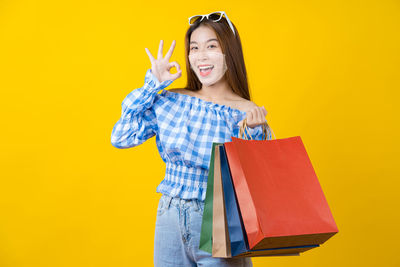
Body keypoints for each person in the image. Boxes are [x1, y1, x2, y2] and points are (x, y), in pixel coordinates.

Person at [111, 11, 270, 267]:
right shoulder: (171, 101)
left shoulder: (245, 112)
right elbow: (121, 136)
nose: (201, 56)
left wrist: (254, 132)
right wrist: (153, 85)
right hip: (170, 217)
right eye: (194, 48)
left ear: (229, 51)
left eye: (211, 46)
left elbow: (257, 180)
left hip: (220, 220)